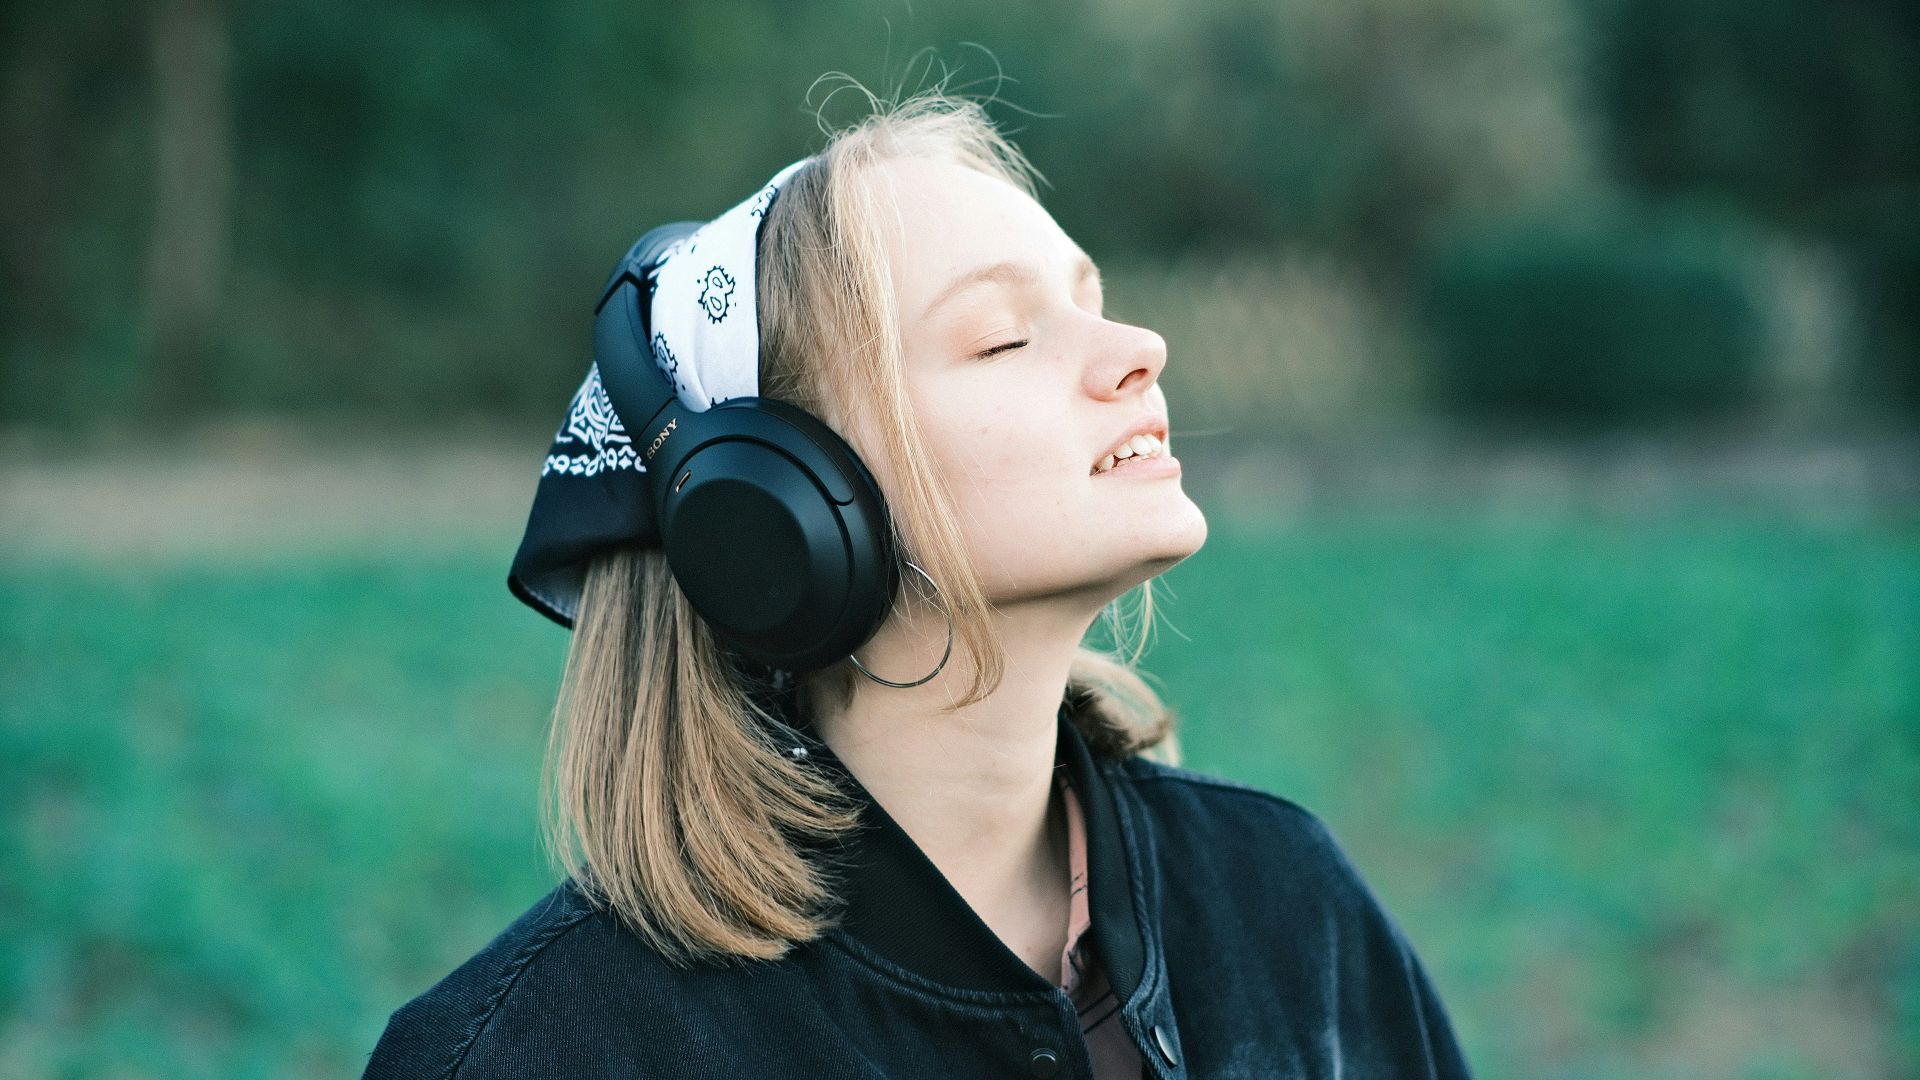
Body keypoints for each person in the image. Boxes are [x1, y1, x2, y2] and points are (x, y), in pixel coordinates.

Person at [365, 87, 1473, 1079]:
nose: (1139, 346)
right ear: (772, 510)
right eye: (1001, 339)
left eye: (1093, 298)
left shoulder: (1287, 904)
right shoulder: (533, 1054)